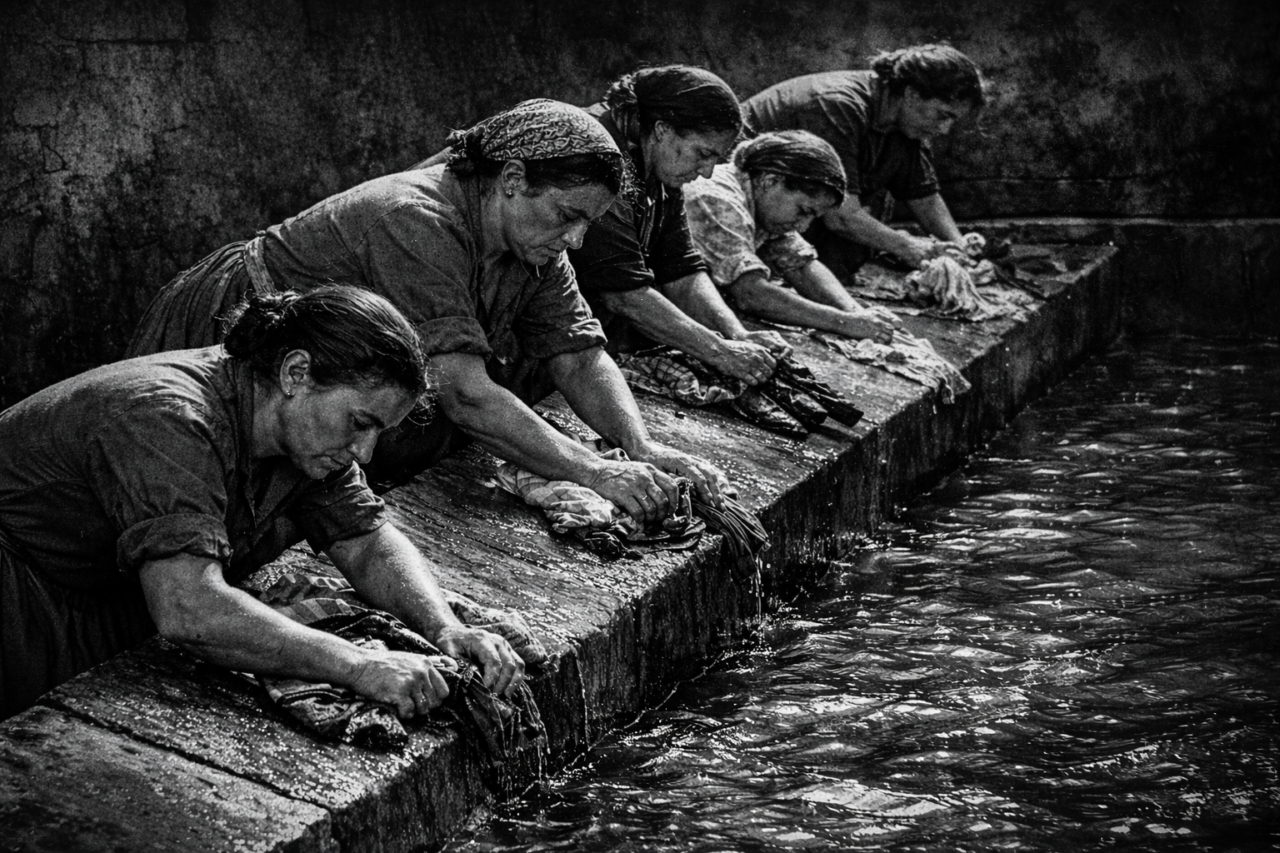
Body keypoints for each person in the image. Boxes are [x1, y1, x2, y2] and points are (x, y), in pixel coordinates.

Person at [127, 99, 728, 524]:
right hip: (233, 328)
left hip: (321, 377)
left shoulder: (535, 247)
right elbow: (461, 390)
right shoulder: (416, 219)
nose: (574, 239)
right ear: (513, 179)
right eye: (567, 215)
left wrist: (640, 447)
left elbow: (578, 353)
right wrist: (595, 473)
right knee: (198, 492)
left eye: (586, 225)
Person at [0, 286, 524, 721]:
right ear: (296, 374)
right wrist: (357, 665)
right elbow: (187, 607)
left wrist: (443, 626)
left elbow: (366, 542)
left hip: (95, 593)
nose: (364, 452)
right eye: (360, 424)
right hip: (21, 592)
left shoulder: (305, 437)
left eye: (376, 434)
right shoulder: (168, 419)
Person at [566, 65, 792, 387]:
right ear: (663, 129)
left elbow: (681, 269)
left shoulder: (661, 166)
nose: (708, 172)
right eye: (703, 154)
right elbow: (624, 293)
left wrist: (737, 333)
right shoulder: (600, 159)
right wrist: (720, 352)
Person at [744, 44, 986, 278]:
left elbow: (925, 199)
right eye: (943, 115)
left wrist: (962, 253)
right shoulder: (837, 106)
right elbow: (840, 215)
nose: (944, 129)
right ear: (912, 94)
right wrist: (908, 246)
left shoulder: (905, 123)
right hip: (741, 207)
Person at [683, 130, 901, 343]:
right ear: (770, 181)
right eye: (804, 211)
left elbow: (801, 264)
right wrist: (844, 322)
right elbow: (750, 293)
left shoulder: (764, 204)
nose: (803, 226)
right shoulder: (716, 199)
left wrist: (860, 314)